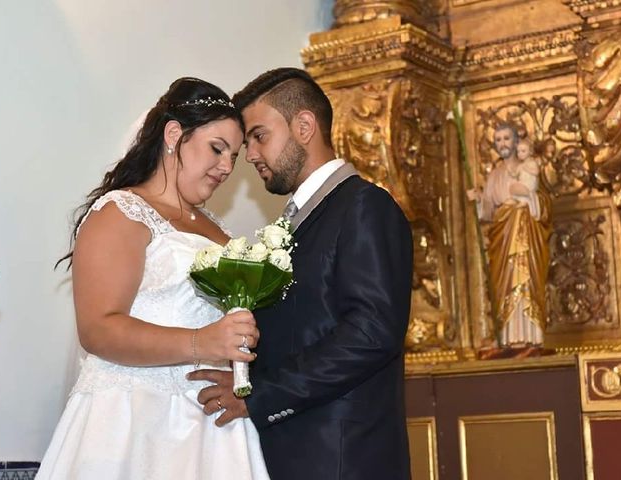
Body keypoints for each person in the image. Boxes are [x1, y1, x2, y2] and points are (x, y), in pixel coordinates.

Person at [37, 77, 270, 479]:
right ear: (174, 134)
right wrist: (203, 341)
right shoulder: (121, 211)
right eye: (217, 149)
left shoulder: (220, 231)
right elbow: (98, 329)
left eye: (233, 156)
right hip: (136, 420)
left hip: (211, 428)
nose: (226, 167)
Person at [188, 68, 413, 479]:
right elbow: (300, 332)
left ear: (304, 126)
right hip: (298, 455)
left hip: (342, 458)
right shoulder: (297, 222)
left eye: (259, 136)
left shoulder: (365, 206)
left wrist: (261, 396)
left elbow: (371, 332)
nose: (251, 155)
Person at [467, 124, 551, 348]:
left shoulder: (530, 168)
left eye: (506, 139)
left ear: (516, 142)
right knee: (504, 283)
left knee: (528, 279)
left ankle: (533, 336)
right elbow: (488, 211)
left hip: (527, 232)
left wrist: (529, 201)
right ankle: (506, 336)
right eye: (498, 140)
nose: (502, 144)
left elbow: (544, 204)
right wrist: (478, 199)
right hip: (503, 237)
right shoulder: (495, 175)